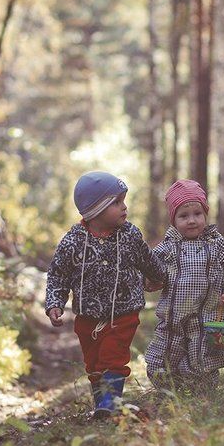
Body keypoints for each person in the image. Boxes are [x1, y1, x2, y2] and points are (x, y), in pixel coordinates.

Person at [46, 171, 165, 418]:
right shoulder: (73, 242)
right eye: (116, 202)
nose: (124, 207)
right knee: (94, 363)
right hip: (87, 315)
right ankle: (102, 405)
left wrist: (158, 277)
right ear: (95, 210)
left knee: (113, 356)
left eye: (123, 201)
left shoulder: (130, 235)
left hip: (123, 311)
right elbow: (58, 275)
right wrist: (55, 302)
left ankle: (110, 403)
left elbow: (147, 260)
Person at [144, 179, 224, 391]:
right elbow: (150, 269)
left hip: (206, 318)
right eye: (184, 216)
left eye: (197, 214)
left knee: (202, 361)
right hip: (172, 320)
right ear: (173, 219)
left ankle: (199, 396)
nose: (192, 221)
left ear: (205, 214)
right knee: (161, 359)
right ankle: (169, 393)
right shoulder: (168, 246)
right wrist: (150, 281)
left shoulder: (215, 242)